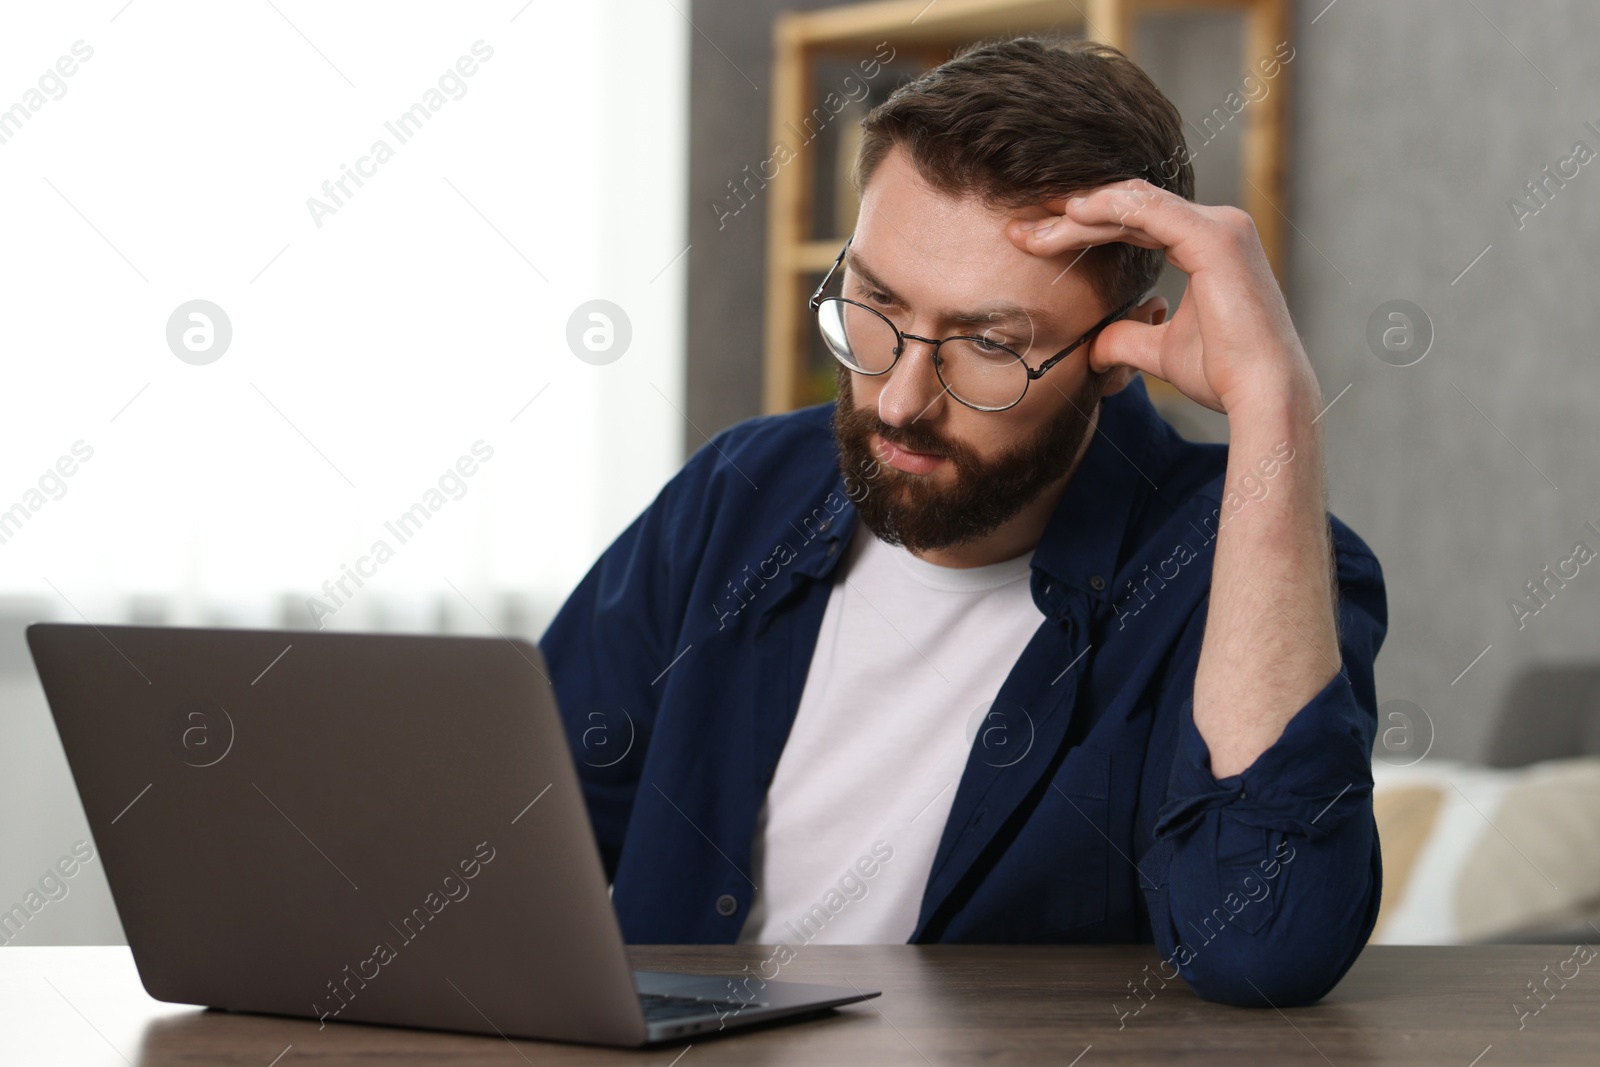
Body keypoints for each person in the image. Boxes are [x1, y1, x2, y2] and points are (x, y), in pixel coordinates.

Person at [539, 35, 1385, 1009]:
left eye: (986, 343)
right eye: (873, 301)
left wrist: (1270, 401)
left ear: (1118, 351)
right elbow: (517, 843)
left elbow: (1261, 945)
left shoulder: (1238, 569)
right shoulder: (740, 489)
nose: (897, 399)